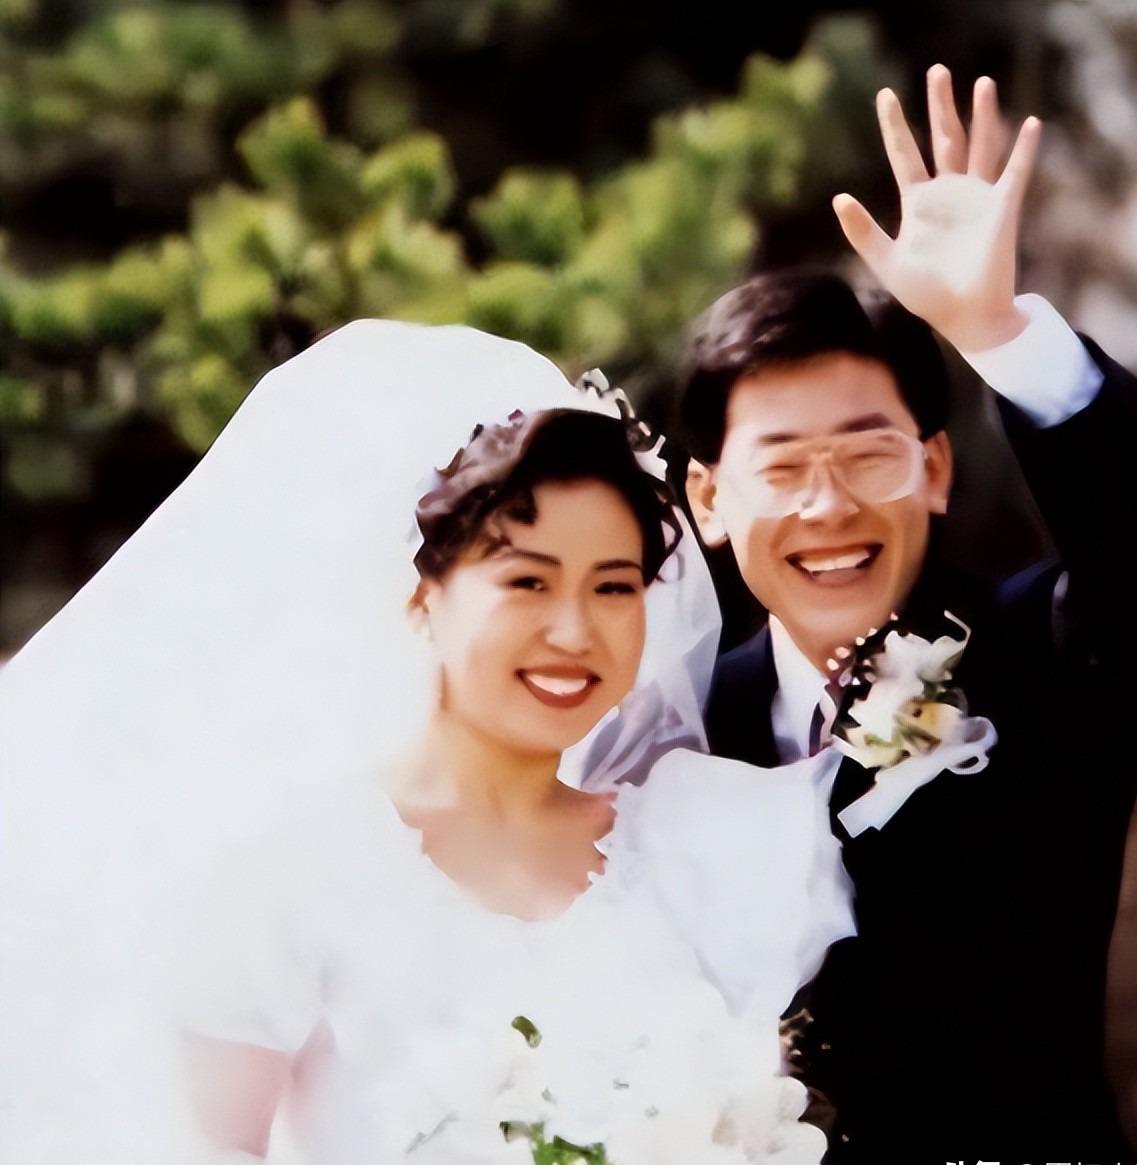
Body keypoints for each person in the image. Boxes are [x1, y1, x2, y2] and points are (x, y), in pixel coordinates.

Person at [0, 321, 852, 1164]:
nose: (573, 630)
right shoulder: (287, 875)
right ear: (422, 596)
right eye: (527, 580)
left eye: (612, 587)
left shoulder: (703, 842)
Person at [680, 67, 1137, 1163]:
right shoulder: (672, 721)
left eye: (867, 454)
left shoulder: (1045, 649)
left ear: (934, 467)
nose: (827, 506)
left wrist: (998, 331)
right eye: (780, 467)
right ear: (708, 499)